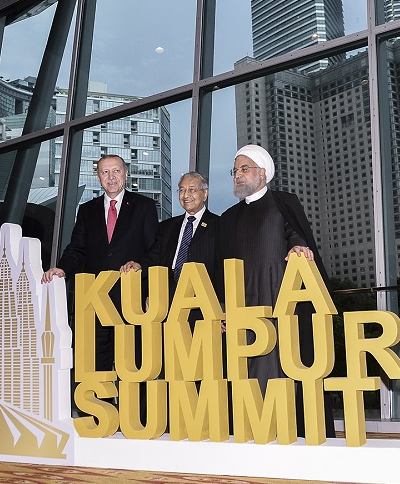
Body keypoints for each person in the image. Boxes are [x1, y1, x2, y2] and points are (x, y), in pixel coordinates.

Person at [216, 144, 334, 437]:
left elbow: (297, 233)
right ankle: (253, 429)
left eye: (244, 169)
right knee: (247, 370)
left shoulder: (283, 202)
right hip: (243, 306)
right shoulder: (229, 216)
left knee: (285, 365)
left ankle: (288, 431)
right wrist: (222, 308)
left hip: (282, 301)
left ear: (263, 173)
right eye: (235, 171)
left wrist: (298, 246)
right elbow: (220, 268)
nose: (238, 176)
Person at [42, 154, 159, 372]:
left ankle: (132, 408)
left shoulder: (144, 206)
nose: (111, 177)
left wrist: (140, 267)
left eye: (116, 171)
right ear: (98, 177)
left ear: (126, 173)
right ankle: (98, 405)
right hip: (96, 299)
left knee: (133, 364)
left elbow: (155, 249)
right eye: (105, 172)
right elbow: (77, 248)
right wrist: (63, 268)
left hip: (131, 298)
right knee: (96, 366)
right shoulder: (87, 210)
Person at [121, 172, 221, 325]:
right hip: (168, 301)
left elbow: (223, 270)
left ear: (205, 193)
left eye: (192, 189)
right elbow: (154, 257)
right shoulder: (167, 227)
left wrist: (219, 311)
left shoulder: (219, 225)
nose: (186, 195)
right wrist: (138, 265)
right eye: (181, 190)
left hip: (202, 304)